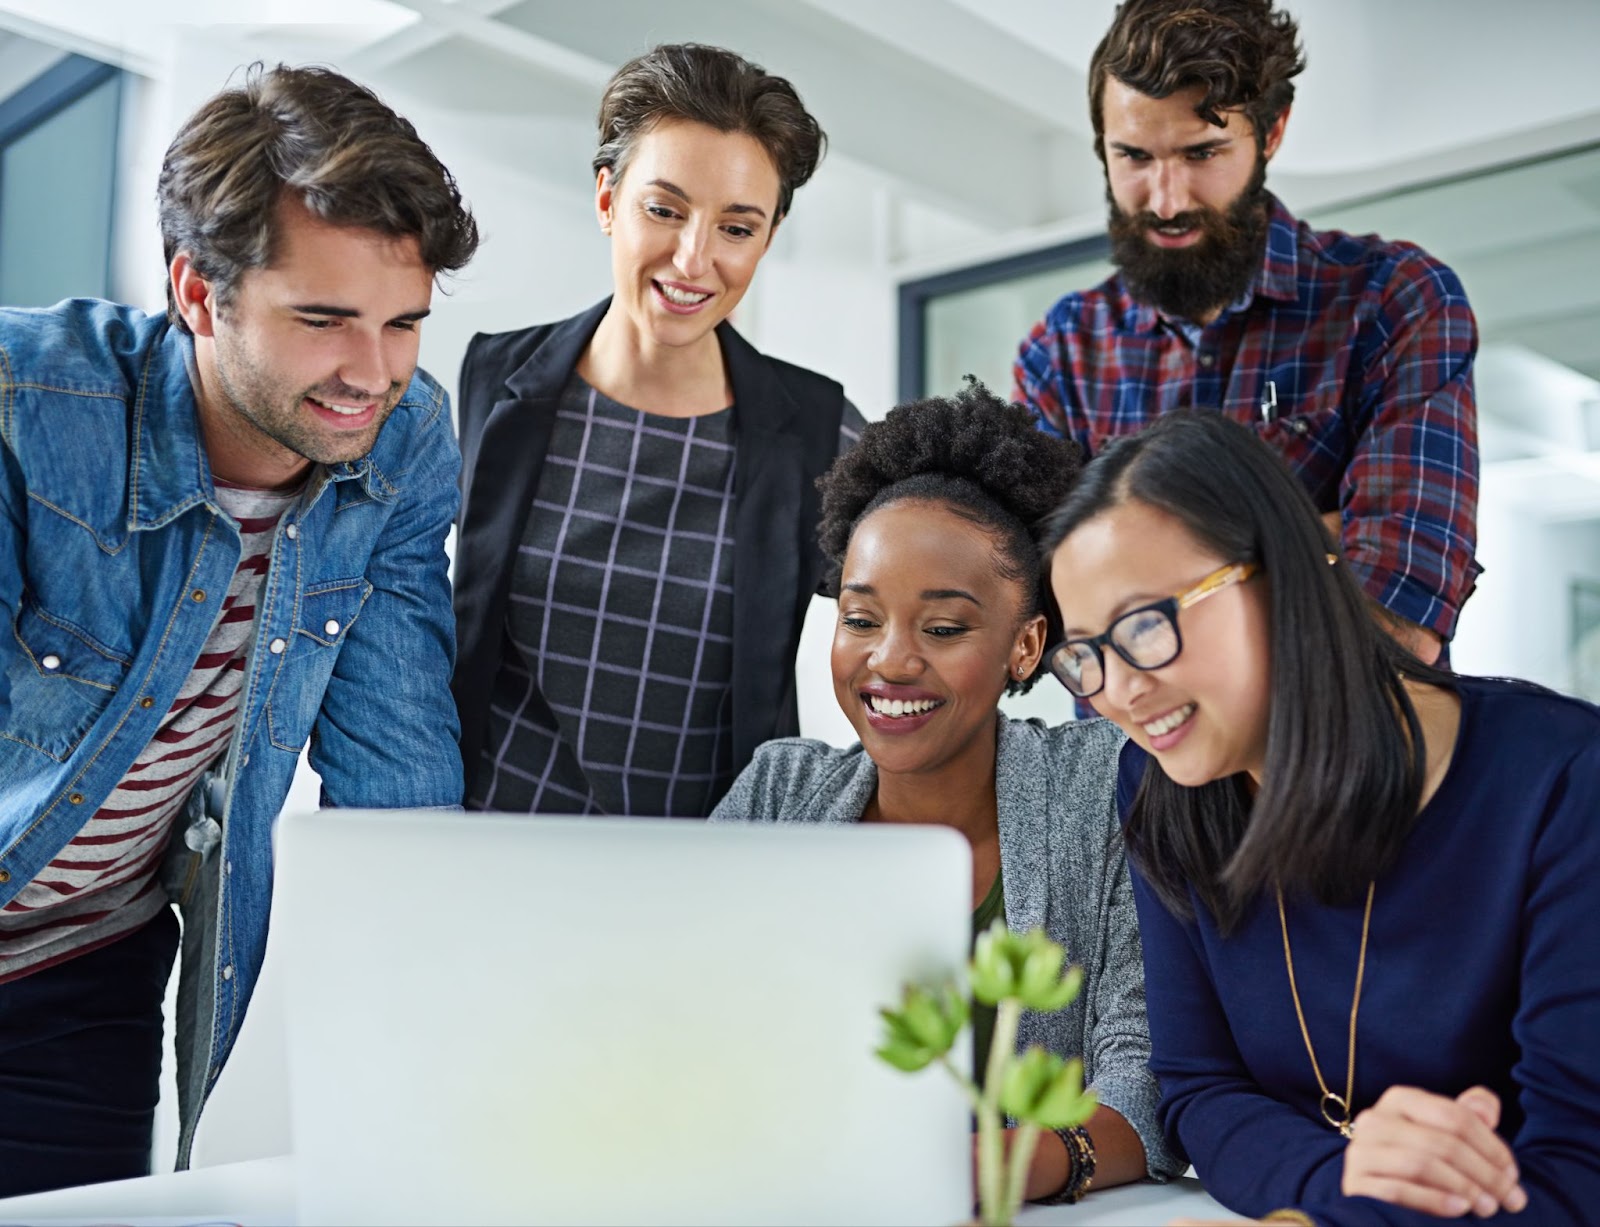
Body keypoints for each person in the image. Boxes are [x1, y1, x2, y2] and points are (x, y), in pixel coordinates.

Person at [0, 65, 478, 1194]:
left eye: (402, 323)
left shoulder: (403, 444)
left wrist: (429, 1082)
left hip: (83, 973)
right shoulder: (25, 404)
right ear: (199, 293)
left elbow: (397, 774)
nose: (375, 373)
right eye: (324, 321)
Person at [1041, 411, 1600, 1225]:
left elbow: (1578, 1162)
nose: (1119, 692)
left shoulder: (1562, 780)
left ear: (1289, 572)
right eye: (1087, 653)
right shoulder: (1159, 780)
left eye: (1146, 627)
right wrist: (1342, 1186)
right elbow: (1200, 1087)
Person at [710, 383, 1183, 1204]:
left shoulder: (1104, 787)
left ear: (1026, 644)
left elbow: (1143, 1083)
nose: (890, 661)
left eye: (943, 628)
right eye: (861, 619)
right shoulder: (780, 790)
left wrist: (992, 1169)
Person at [452, 43, 864, 819]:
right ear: (608, 199)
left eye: (736, 228)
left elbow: (929, 619)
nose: (693, 258)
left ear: (767, 237)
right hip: (491, 859)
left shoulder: (817, 433)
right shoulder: (492, 385)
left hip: (701, 884)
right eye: (663, 209)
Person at [1014, 0, 1479, 665]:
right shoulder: (1060, 351)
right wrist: (1301, 539)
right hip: (1137, 768)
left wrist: (1132, 576)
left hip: (1351, 764)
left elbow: (1400, 609)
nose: (1166, 199)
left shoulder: (1394, 301)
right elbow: (1056, 621)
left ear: (1273, 131)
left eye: (1202, 153)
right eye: (1134, 156)